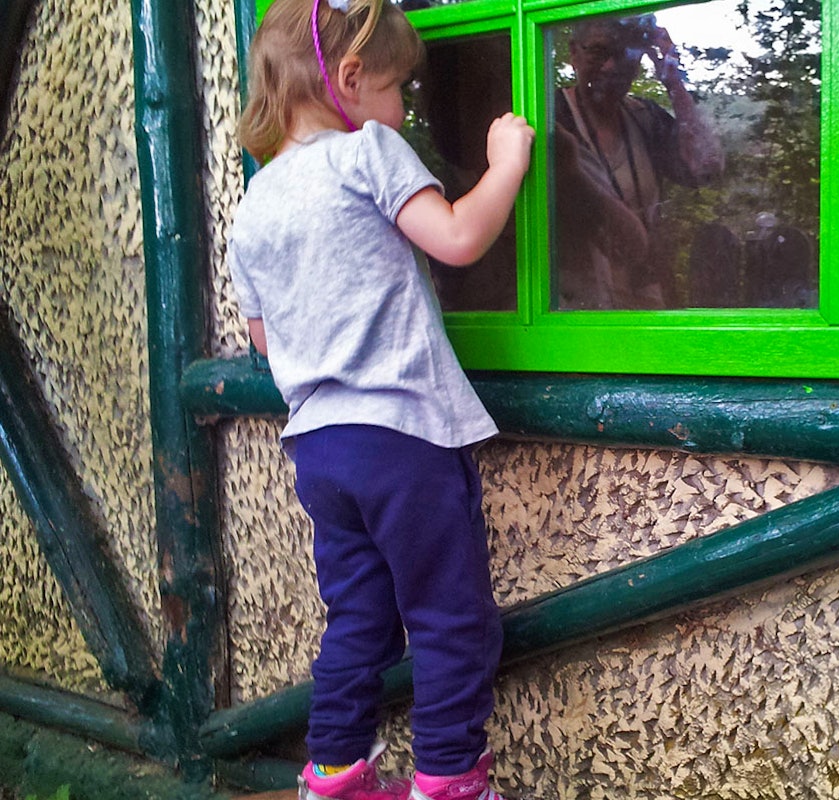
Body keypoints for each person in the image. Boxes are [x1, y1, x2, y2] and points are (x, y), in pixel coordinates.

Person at [229, 1, 533, 799]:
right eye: (398, 87)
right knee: (450, 617)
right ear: (351, 77)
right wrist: (506, 163)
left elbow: (264, 338)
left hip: (319, 450)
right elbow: (458, 237)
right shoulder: (367, 151)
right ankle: (449, 779)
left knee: (358, 617)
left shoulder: (253, 204)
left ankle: (332, 773)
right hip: (401, 434)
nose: (402, 108)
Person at [553, 15, 723, 309]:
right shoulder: (551, 117)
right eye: (598, 51)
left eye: (623, 55)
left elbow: (705, 169)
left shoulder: (644, 117)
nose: (610, 66)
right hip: (575, 304)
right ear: (574, 53)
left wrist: (673, 78)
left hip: (645, 294)